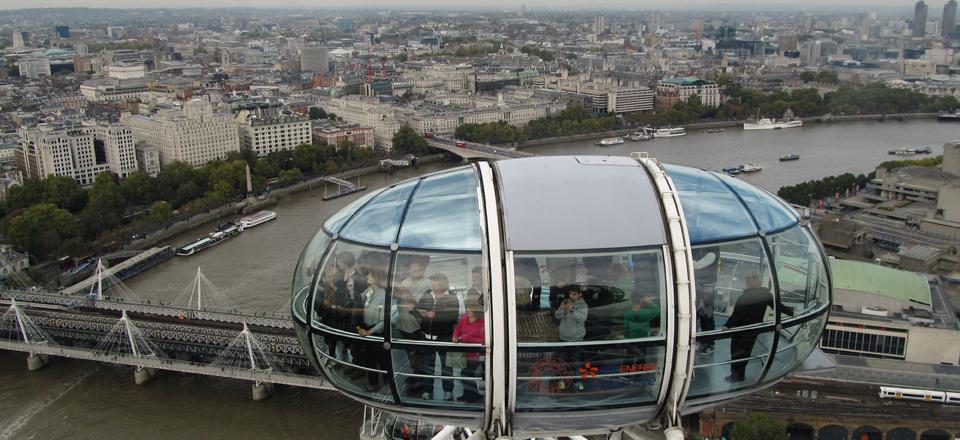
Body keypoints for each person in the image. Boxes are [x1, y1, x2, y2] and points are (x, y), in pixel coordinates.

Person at [722, 272, 794, 382]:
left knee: (736, 353)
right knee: (746, 352)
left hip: (741, 329)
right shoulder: (765, 294)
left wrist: (727, 325)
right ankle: (739, 375)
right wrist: (792, 313)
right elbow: (779, 307)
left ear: (748, 283)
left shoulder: (745, 297)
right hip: (754, 329)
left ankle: (736, 376)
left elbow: (737, 315)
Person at [411, 272, 460, 400]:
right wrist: (414, 310)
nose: (433, 284)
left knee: (446, 366)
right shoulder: (427, 294)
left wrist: (436, 316)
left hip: (444, 337)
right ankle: (427, 390)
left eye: (436, 282)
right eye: (432, 281)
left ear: (443, 283)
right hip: (426, 337)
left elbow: (453, 317)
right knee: (428, 366)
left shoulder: (452, 297)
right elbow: (419, 310)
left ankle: (448, 391)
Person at [356, 267, 393, 392]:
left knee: (382, 359)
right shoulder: (370, 290)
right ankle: (373, 383)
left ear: (376, 279)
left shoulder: (383, 296)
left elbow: (383, 321)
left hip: (376, 332)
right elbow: (359, 299)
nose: (367, 277)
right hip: (367, 330)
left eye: (370, 275)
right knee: (369, 359)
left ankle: (389, 385)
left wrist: (369, 332)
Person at [554, 285, 588, 391]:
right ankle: (562, 380)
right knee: (561, 362)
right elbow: (557, 316)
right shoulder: (565, 302)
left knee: (576, 363)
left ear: (579, 294)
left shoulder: (583, 305)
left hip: (577, 340)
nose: (571, 296)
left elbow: (582, 319)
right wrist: (562, 308)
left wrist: (572, 310)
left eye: (574, 294)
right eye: (570, 294)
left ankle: (577, 381)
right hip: (563, 338)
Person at [452, 298, 485, 403]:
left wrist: (467, 338)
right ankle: (468, 395)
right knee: (467, 375)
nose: (468, 310)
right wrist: (455, 337)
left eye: (471, 308)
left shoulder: (482, 322)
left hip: (476, 355)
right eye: (467, 308)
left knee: (466, 375)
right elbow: (457, 329)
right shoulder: (464, 318)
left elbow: (484, 340)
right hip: (465, 353)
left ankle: (472, 396)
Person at [623, 287, 661, 363]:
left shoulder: (627, 313)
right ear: (641, 300)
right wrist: (650, 302)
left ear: (631, 300)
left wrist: (627, 337)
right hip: (643, 339)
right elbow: (657, 310)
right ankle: (639, 373)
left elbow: (625, 329)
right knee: (641, 359)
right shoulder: (646, 312)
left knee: (629, 358)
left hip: (630, 340)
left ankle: (626, 374)